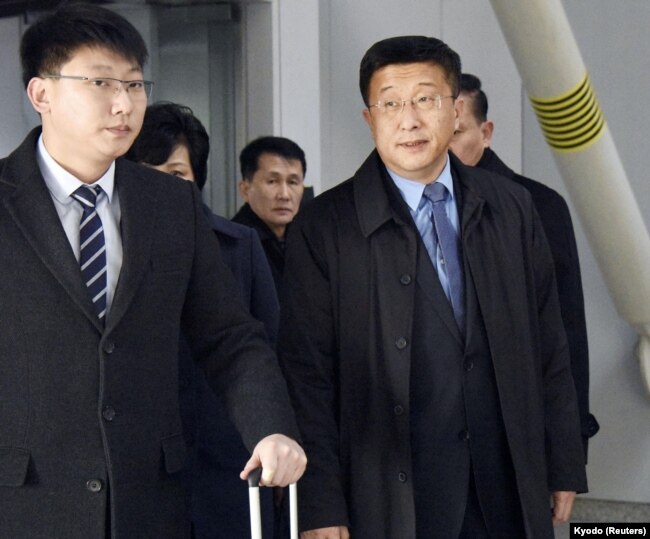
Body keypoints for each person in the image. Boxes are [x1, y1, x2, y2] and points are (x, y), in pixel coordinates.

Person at [0, 4, 306, 538]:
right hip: (25, 501)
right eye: (101, 82)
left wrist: (271, 428)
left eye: (136, 85)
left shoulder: (171, 205)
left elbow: (230, 338)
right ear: (41, 94)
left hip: (151, 502)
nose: (124, 104)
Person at [278, 35, 586, 539]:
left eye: (426, 99)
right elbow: (305, 374)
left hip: (505, 480)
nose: (410, 119)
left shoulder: (511, 207)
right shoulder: (325, 225)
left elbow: (550, 342)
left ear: (454, 108)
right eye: (391, 103)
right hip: (390, 492)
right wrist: (320, 503)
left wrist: (562, 457)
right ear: (369, 118)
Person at [126, 102, 280, 538]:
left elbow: (268, 353)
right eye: (146, 172)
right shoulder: (109, 255)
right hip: (142, 476)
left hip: (229, 470)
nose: (162, 188)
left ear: (197, 181)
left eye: (177, 174)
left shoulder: (239, 247)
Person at [449, 73, 599, 455]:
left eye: (458, 133)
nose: (444, 148)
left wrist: (569, 444)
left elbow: (566, 331)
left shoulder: (537, 205)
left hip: (518, 426)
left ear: (486, 132)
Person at [233, 136, 306, 292]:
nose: (285, 195)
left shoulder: (308, 238)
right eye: (272, 181)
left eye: (293, 182)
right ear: (245, 190)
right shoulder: (233, 244)